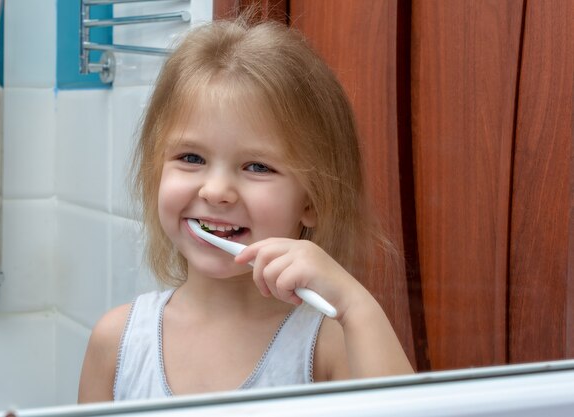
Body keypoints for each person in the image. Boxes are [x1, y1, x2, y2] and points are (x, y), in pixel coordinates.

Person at [78, 15, 413, 403]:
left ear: (312, 200)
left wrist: (355, 306)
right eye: (190, 157)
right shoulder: (117, 344)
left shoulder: (328, 344)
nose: (217, 190)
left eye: (257, 167)